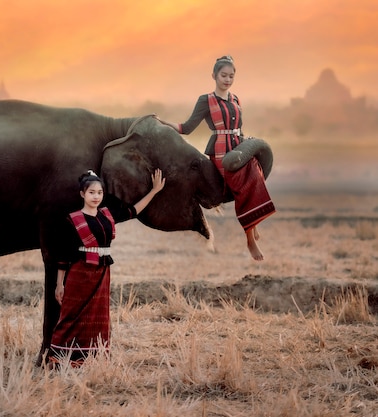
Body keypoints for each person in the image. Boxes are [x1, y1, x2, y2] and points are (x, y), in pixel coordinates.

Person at [47, 168, 165, 368]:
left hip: (102, 272)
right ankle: (60, 358)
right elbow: (64, 255)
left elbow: (134, 211)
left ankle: (91, 358)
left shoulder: (107, 215)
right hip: (79, 272)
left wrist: (154, 191)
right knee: (71, 315)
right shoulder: (72, 219)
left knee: (97, 316)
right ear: (82, 194)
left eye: (99, 193)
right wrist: (60, 283)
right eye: (91, 192)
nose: (96, 196)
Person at [165, 55, 275, 261]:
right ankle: (250, 239)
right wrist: (166, 124)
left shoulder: (235, 99)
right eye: (224, 75)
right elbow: (187, 127)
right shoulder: (206, 100)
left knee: (256, 173)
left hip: (239, 147)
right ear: (214, 75)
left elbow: (239, 128)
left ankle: (253, 225)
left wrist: (247, 147)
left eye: (231, 76)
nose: (227, 79)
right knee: (241, 182)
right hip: (221, 152)